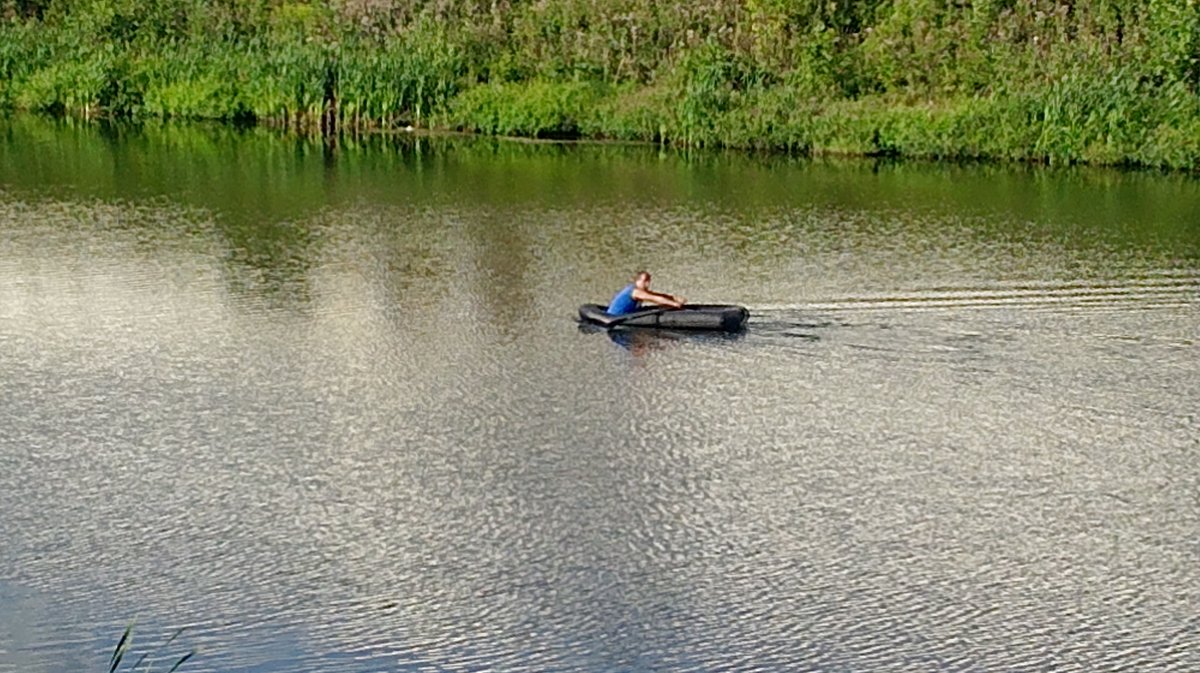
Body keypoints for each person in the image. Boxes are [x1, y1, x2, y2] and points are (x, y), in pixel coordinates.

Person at [606, 271, 686, 315]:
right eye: (645, 281)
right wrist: (674, 304)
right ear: (638, 281)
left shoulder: (639, 290)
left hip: (630, 313)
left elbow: (656, 295)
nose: (647, 284)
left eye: (648, 281)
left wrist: (674, 298)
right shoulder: (635, 292)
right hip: (616, 316)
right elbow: (655, 299)